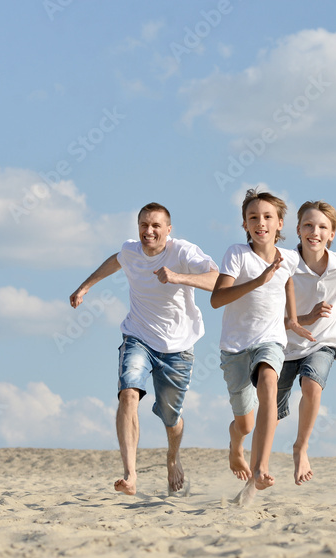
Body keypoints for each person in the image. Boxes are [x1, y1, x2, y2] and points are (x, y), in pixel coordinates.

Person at [70, 202, 218, 495]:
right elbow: (116, 260)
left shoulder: (183, 252)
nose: (148, 232)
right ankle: (130, 474)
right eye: (143, 225)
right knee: (128, 393)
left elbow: (217, 280)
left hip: (178, 346)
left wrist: (177, 277)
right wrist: (85, 287)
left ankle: (173, 457)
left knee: (170, 416)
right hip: (138, 336)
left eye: (155, 226)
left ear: (168, 230)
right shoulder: (131, 251)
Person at [210, 189, 314, 502]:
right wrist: (258, 280)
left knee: (269, 382)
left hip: (270, 341)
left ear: (280, 223)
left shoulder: (290, 259)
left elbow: (289, 281)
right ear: (245, 223)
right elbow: (217, 299)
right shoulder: (237, 254)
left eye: (268, 217)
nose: (261, 222)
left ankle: (260, 468)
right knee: (245, 422)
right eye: (253, 217)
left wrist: (293, 319)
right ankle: (235, 444)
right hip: (235, 348)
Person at [277, 200, 336, 485]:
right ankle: (254, 460)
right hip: (284, 344)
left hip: (324, 340)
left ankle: (301, 447)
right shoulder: (284, 262)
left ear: (332, 234)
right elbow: (268, 313)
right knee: (269, 412)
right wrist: (304, 316)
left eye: (323, 227)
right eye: (309, 226)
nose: (315, 232)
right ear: (299, 230)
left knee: (312, 384)